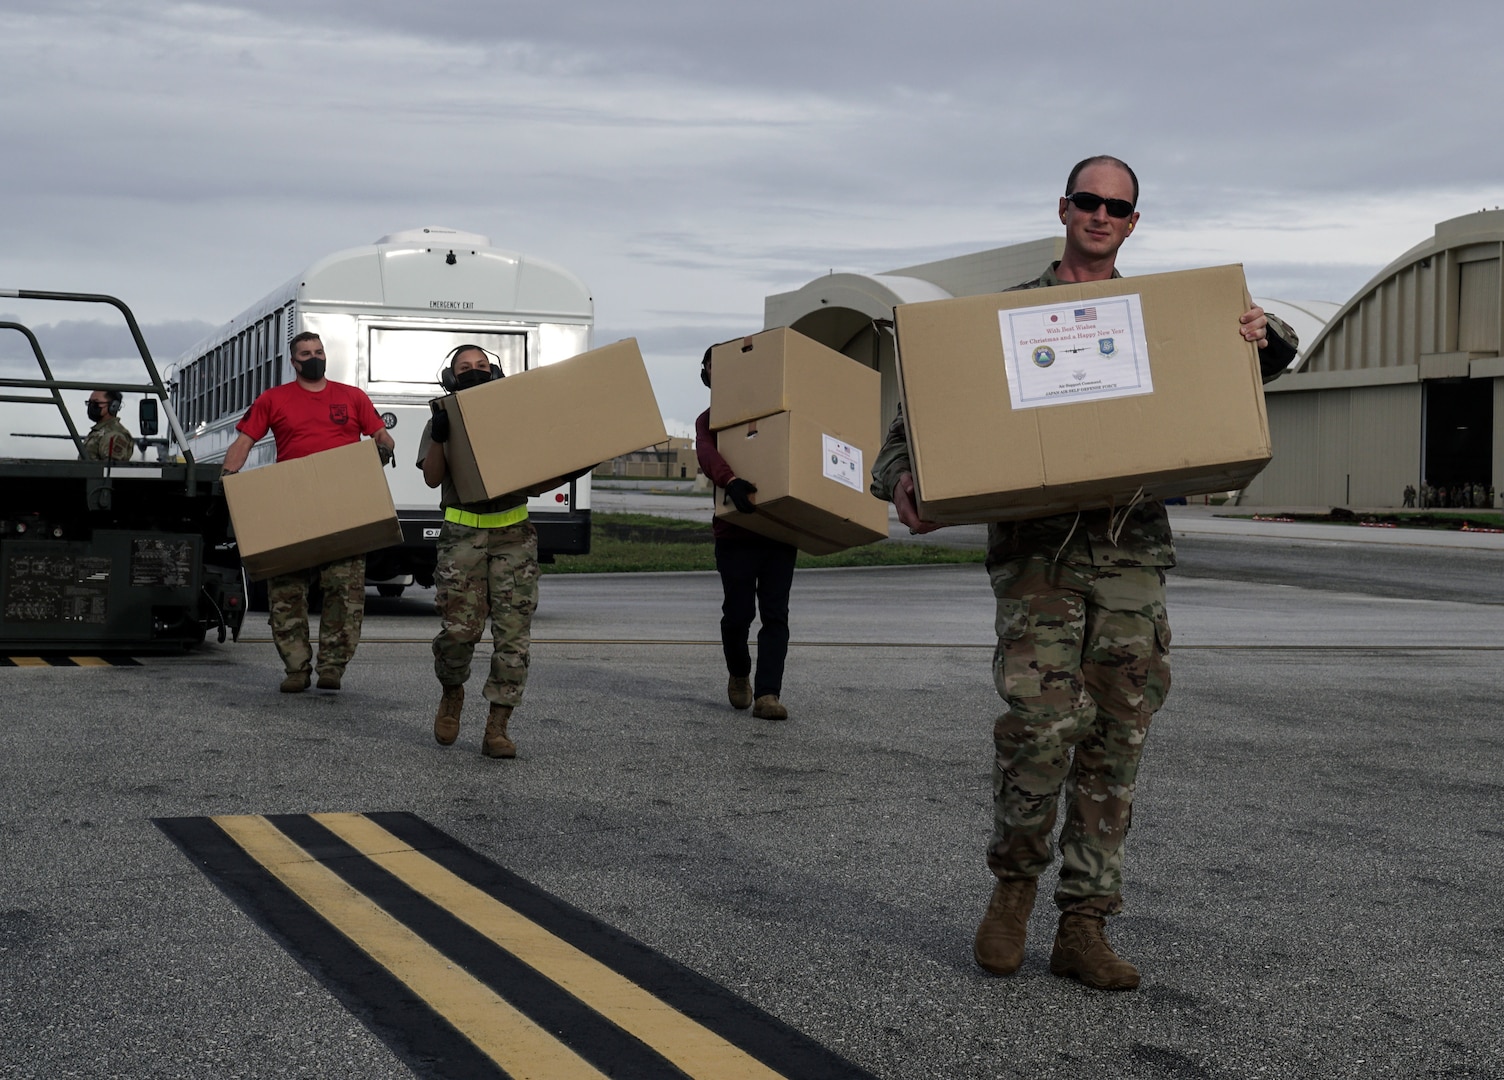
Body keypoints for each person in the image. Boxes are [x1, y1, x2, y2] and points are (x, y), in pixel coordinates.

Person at [871, 155, 1297, 991]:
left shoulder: (1158, 325)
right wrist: (902, 480)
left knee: (1116, 741)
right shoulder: (1002, 322)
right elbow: (906, 435)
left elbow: (1238, 375)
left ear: (1134, 223)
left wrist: (1264, 337)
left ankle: (1084, 924)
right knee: (1039, 730)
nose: (1102, 215)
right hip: (1039, 565)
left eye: (1119, 206)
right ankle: (1012, 891)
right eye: (1088, 201)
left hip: (1131, 562)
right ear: (1063, 208)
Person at [221, 332, 396, 693]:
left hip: (343, 506)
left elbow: (381, 434)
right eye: (306, 353)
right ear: (294, 362)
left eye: (318, 351)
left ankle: (332, 667)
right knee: (286, 594)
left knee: (344, 594)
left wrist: (383, 446)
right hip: (293, 507)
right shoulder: (273, 399)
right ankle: (296, 668)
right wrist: (228, 479)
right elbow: (244, 441)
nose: (314, 357)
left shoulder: (352, 397)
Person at [418, 345, 541, 758]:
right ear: (451, 378)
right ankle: (452, 693)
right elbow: (433, 479)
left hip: (513, 535)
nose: (474, 372)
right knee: (458, 634)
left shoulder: (516, 416)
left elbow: (542, 474)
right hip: (462, 538)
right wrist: (439, 436)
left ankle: (497, 727)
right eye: (464, 368)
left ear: (496, 374)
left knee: (513, 639)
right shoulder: (442, 416)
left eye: (482, 366)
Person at [694, 346, 798, 721]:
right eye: (709, 369)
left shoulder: (775, 412)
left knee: (776, 614)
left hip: (777, 529)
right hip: (734, 531)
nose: (713, 375)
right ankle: (739, 673)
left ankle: (768, 694)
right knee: (738, 614)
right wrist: (731, 481)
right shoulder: (708, 420)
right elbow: (707, 455)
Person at [81, 389, 134, 462]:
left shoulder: (114, 435)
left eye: (96, 403)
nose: (91, 406)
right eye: (89, 402)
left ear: (113, 406)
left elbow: (111, 470)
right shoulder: (100, 431)